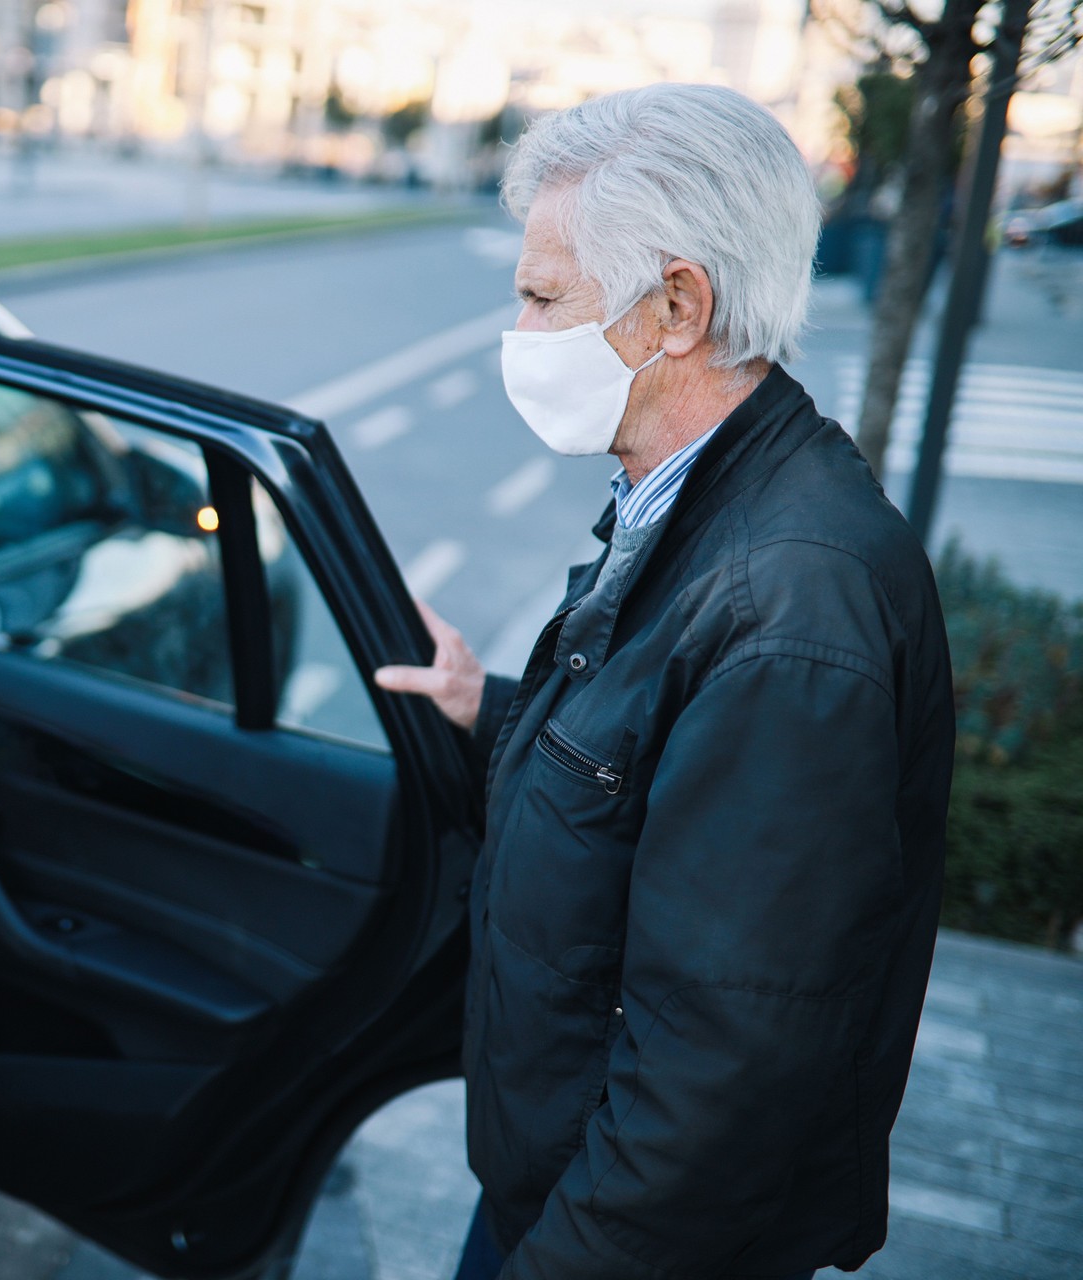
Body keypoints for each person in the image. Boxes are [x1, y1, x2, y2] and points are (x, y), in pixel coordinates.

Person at [373, 83, 955, 1280]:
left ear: (677, 305)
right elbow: (655, 802)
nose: (519, 330)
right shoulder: (698, 501)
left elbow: (720, 1074)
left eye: (544, 298)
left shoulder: (790, 614)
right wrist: (494, 717)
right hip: (559, 1182)